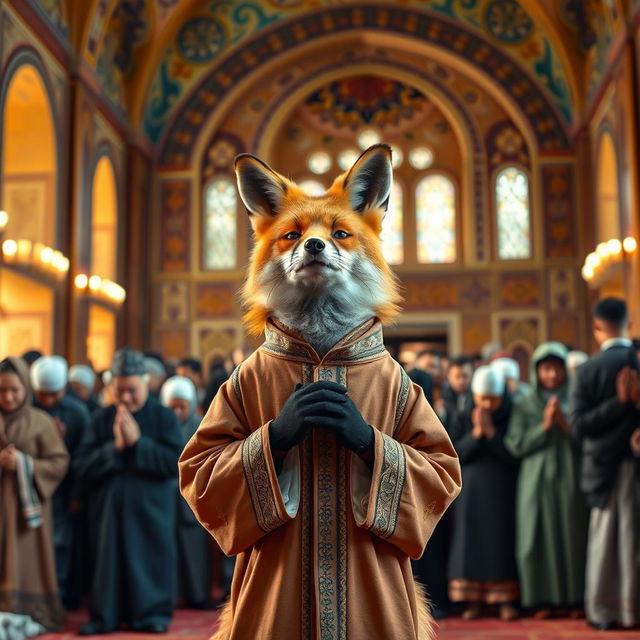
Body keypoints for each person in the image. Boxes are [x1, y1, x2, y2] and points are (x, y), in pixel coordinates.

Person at [75, 347, 183, 635]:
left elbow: (178, 463)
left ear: (146, 382)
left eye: (132, 390)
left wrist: (138, 443)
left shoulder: (163, 417)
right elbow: (81, 465)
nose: (125, 398)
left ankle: (152, 615)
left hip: (151, 508)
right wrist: (115, 448)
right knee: (107, 563)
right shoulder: (100, 418)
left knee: (149, 561)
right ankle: (104, 617)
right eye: (119, 390)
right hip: (108, 509)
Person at [570, 297, 640, 630]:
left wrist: (615, 405)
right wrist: (623, 403)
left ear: (597, 326)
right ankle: (632, 611)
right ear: (628, 322)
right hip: (629, 466)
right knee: (632, 540)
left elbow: (580, 426)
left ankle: (601, 611)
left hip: (602, 468)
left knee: (605, 542)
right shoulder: (636, 362)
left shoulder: (588, 370)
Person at [505, 342, 588, 618]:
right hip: (535, 481)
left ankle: (575, 599)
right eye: (546, 369)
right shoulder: (524, 403)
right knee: (536, 538)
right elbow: (515, 444)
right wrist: (544, 426)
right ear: (537, 371)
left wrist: (565, 424)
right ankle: (542, 600)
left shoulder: (577, 399)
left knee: (572, 536)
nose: (551, 375)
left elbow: (587, 441)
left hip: (569, 476)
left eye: (556, 369)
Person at [0, 357, 69, 630]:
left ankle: (29, 612)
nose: (7, 397)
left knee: (27, 560)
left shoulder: (40, 422)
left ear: (26, 389)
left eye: (14, 390)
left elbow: (59, 461)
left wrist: (24, 464)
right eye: (2, 390)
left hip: (26, 511)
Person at [448, 365, 519, 621]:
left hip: (502, 488)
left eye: (493, 398)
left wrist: (492, 435)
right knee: (470, 541)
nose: (487, 404)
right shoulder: (461, 416)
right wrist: (477, 435)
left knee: (501, 541)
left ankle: (505, 600)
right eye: (482, 398)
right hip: (471, 489)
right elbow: (453, 455)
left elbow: (516, 456)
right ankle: (473, 600)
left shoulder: (512, 414)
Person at [30, 356, 91, 610]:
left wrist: (76, 496)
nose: (48, 401)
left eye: (54, 395)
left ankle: (59, 599)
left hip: (64, 492)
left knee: (60, 547)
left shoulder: (77, 412)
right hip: (30, 489)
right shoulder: (28, 410)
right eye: (43, 395)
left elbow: (83, 457)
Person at [160, 376, 213, 608]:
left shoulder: (202, 424)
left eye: (182, 406)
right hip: (165, 498)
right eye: (172, 407)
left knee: (195, 552)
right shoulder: (158, 424)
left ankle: (197, 595)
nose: (178, 412)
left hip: (192, 498)